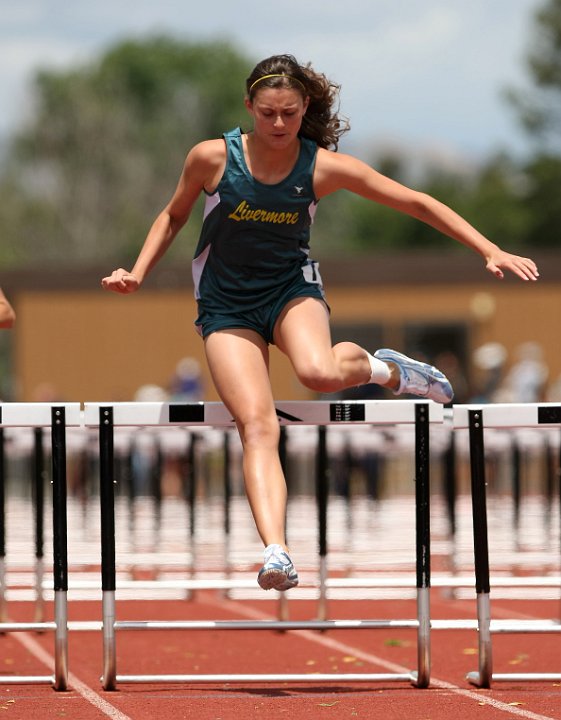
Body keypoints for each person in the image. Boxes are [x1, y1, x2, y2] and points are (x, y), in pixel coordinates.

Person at [102, 54, 539, 592]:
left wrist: (489, 249)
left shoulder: (321, 167)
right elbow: (173, 215)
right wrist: (138, 272)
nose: (280, 125)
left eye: (289, 113)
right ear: (249, 108)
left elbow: (415, 202)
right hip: (225, 305)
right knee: (257, 425)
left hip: (290, 291)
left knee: (318, 373)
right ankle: (277, 551)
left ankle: (385, 370)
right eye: (268, 114)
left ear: (304, 107)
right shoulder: (212, 159)